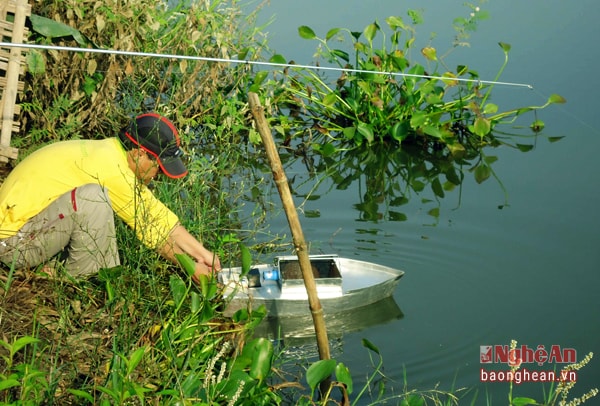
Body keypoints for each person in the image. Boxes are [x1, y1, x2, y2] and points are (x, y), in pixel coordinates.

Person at [0, 113, 220, 282]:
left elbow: (155, 215)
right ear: (139, 153)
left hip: (27, 229)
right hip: (11, 247)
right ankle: (75, 280)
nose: (159, 175)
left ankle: (60, 265)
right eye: (158, 168)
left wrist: (203, 254)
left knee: (94, 198)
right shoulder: (110, 171)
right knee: (93, 198)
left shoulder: (110, 152)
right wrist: (191, 268)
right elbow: (153, 233)